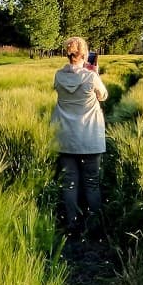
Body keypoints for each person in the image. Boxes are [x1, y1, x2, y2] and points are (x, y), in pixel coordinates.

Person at [52, 36, 108, 238]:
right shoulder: (91, 77)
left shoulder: (58, 76)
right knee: (91, 182)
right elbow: (103, 96)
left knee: (69, 182)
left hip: (66, 137)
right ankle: (93, 226)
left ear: (67, 54)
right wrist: (94, 73)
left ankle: (72, 224)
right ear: (84, 54)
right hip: (90, 137)